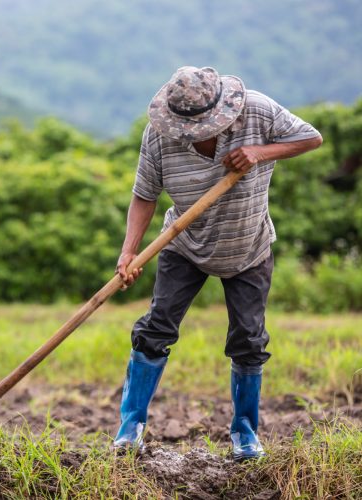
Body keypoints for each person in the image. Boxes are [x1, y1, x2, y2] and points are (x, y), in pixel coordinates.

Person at [114, 66, 322, 460]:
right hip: (184, 243)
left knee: (248, 339)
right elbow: (144, 195)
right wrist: (129, 251)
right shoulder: (159, 135)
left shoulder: (258, 111)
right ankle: (130, 429)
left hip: (249, 246)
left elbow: (311, 137)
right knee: (156, 328)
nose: (194, 134)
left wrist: (260, 152)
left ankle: (245, 435)